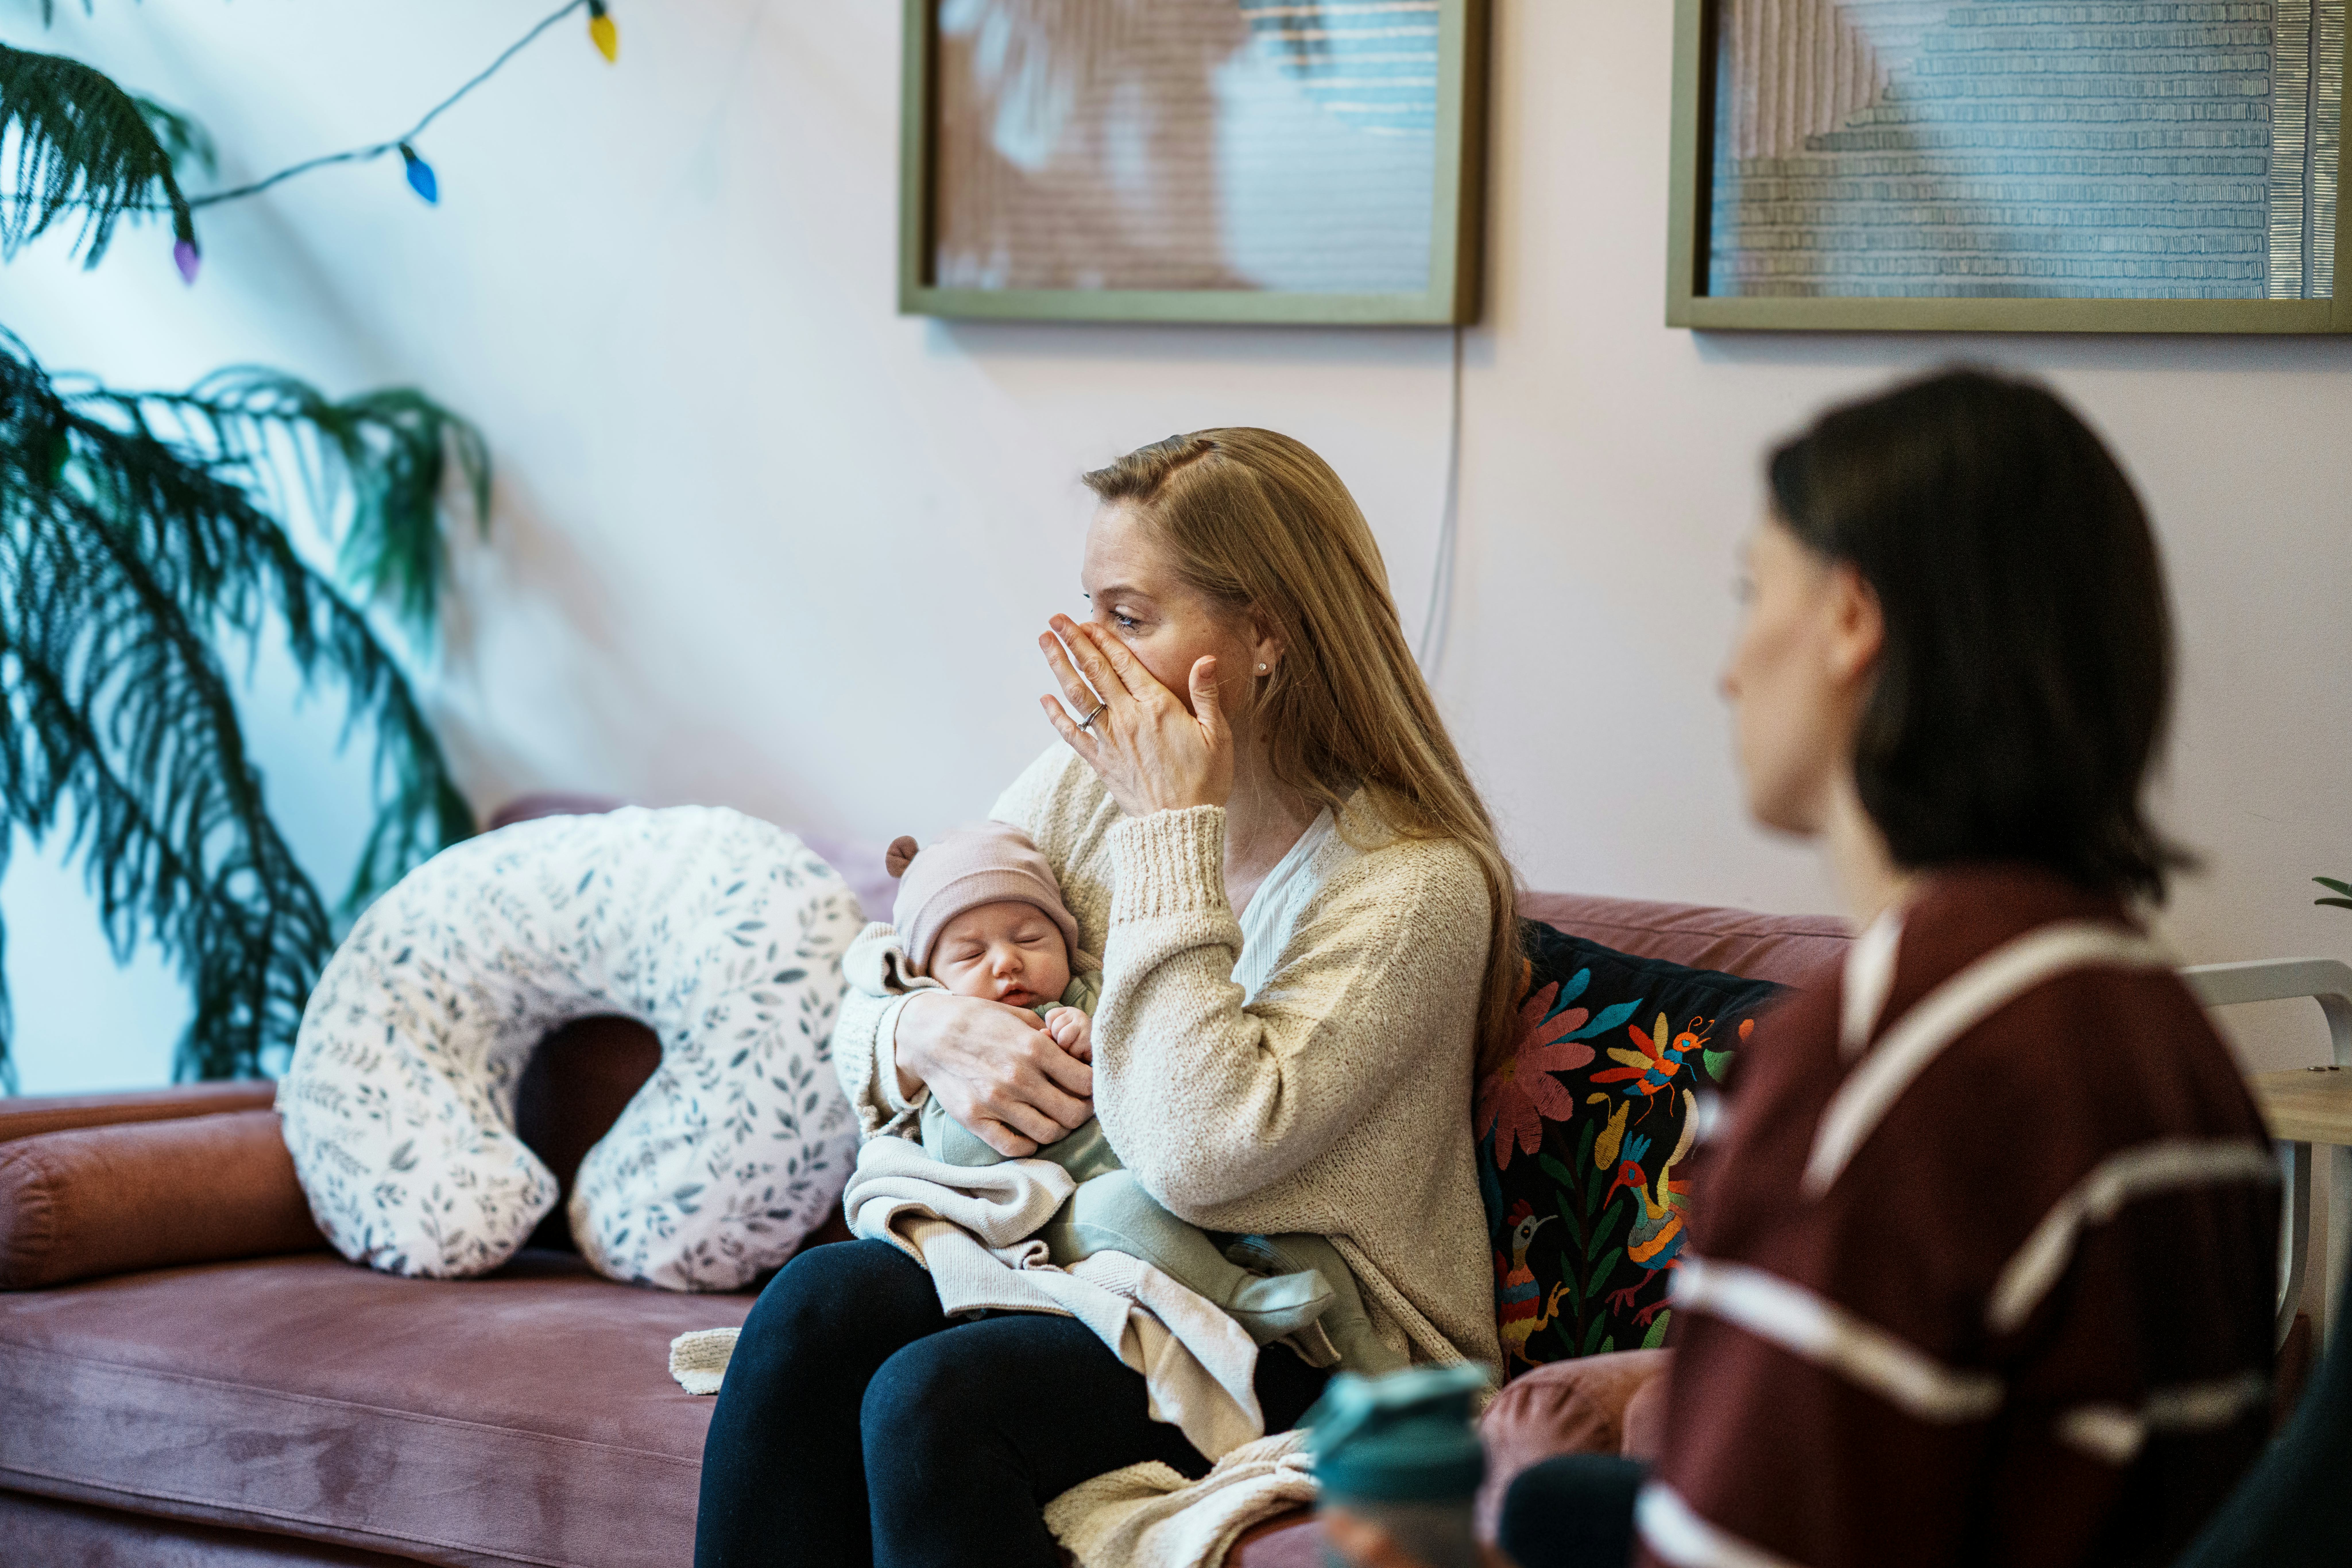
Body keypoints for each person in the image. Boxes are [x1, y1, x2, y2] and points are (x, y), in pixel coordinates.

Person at [1335, 367, 2280, 1568]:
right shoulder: (2160, 1027)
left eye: (1750, 594)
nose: (1729, 667)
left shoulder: (1881, 1061)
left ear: (1849, 619)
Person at [695, 428, 1522, 1568]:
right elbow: (895, 962)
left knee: (937, 1401)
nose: (1092, 655)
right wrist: (918, 1028)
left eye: (1129, 617)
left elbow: (1195, 1152)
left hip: (1306, 1329)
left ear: (1266, 635)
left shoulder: (1415, 888)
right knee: (814, 1306)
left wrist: (1172, 831)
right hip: (1091, 1264)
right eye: (1090, 610)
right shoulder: (1081, 790)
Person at [848, 819, 1399, 1368]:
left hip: (1185, 1178)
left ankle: (1369, 1359)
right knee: (1124, 1209)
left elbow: (1168, 1059)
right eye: (970, 955)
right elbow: (959, 1153)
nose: (1006, 961)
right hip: (1064, 1205)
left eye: (1029, 939)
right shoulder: (953, 1063)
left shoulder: (1095, 997)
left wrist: (1101, 1041)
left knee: (1304, 1240)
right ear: (933, 983)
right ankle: (1241, 1303)